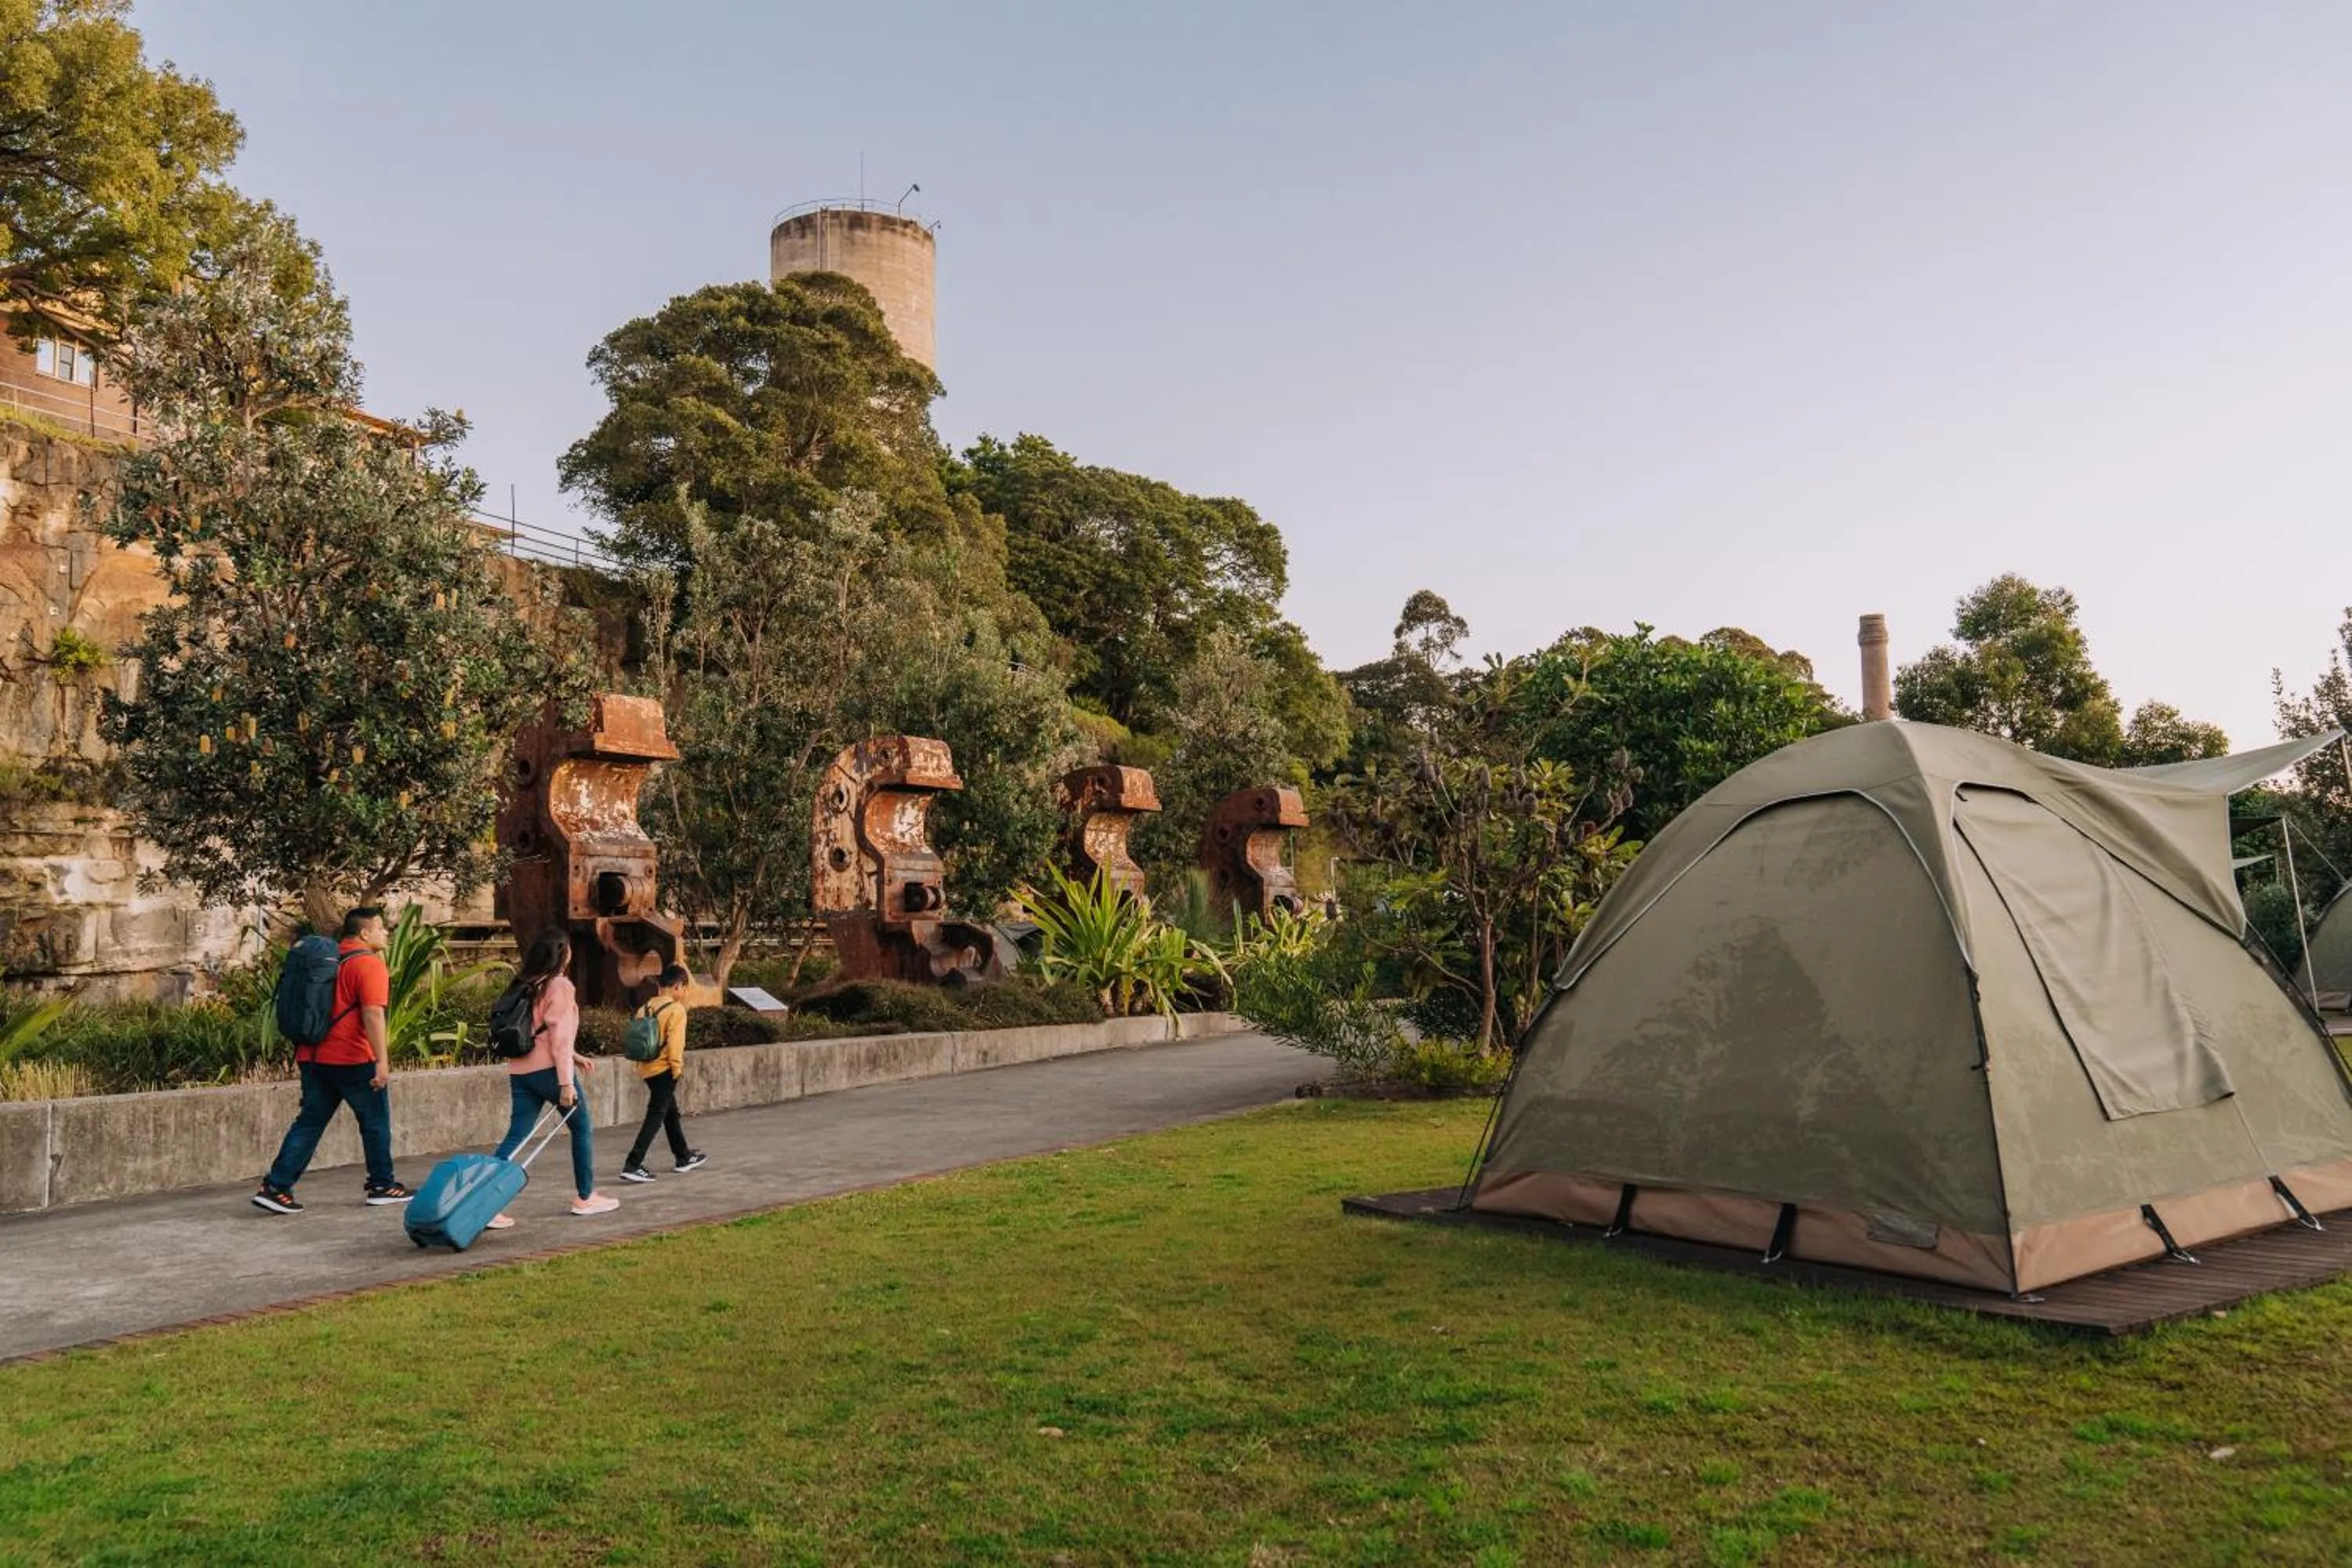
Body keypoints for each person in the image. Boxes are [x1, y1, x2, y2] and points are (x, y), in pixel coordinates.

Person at [252, 906, 414, 1213]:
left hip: (313, 1057)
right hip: (353, 1058)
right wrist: (382, 1060)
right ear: (365, 933)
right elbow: (373, 1013)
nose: (386, 933)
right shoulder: (369, 964)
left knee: (310, 1122)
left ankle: (275, 1187)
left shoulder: (326, 960)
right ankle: (383, 1184)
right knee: (375, 1122)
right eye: (381, 928)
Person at [488, 927, 618, 1225]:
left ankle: (487, 1204)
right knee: (582, 1128)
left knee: (517, 1137)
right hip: (550, 1073)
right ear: (562, 953)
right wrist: (566, 1083)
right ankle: (586, 1197)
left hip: (520, 1070)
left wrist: (575, 1055)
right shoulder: (560, 985)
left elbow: (537, 1031)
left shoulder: (526, 982)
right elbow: (557, 1037)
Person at [620, 964, 708, 1183]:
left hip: (647, 1069)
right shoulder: (676, 1010)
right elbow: (675, 1046)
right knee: (656, 1116)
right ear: (678, 986)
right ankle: (633, 1163)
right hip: (665, 1070)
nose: (684, 993)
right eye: (684, 988)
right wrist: (677, 1070)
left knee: (670, 1112)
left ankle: (683, 1156)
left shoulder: (646, 1007)